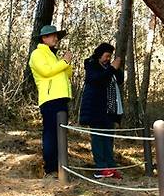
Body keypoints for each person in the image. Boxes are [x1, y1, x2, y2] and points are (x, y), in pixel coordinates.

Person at [28, 24, 73, 178]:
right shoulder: (37, 54)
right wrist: (64, 62)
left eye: (57, 36)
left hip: (61, 98)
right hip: (49, 99)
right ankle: (51, 169)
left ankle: (62, 168)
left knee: (61, 134)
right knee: (51, 134)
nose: (56, 39)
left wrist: (66, 63)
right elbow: (46, 72)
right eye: (53, 36)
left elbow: (67, 74)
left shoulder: (54, 56)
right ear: (44, 38)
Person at [79, 42, 124, 179]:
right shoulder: (91, 64)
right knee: (98, 138)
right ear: (99, 55)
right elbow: (96, 79)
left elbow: (120, 80)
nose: (108, 59)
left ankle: (111, 166)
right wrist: (111, 68)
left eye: (110, 57)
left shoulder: (108, 67)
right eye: (106, 56)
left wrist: (117, 68)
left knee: (109, 139)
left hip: (109, 110)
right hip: (95, 109)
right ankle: (100, 168)